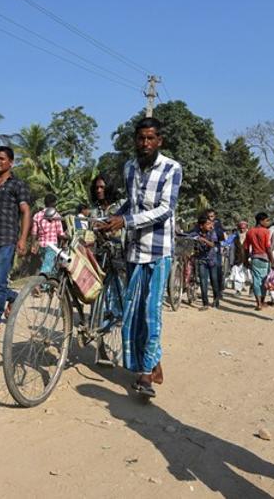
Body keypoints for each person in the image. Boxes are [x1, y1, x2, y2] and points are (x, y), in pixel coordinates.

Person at [96, 117, 181, 398]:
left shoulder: (171, 168)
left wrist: (127, 221)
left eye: (150, 139)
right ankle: (151, 362)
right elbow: (130, 204)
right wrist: (111, 218)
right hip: (133, 250)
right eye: (140, 138)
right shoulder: (129, 167)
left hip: (158, 252)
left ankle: (144, 376)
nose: (144, 144)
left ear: (159, 141)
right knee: (133, 314)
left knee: (151, 311)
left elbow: (165, 209)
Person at [0, 145, 32, 334]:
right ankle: (13, 297)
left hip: (7, 239)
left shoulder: (17, 185)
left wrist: (23, 239)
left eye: (2, 159)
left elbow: (26, 211)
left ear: (11, 162)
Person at [187, 214, 222, 310]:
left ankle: (216, 300)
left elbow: (212, 244)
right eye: (207, 224)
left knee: (214, 280)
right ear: (201, 226)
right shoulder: (196, 233)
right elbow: (188, 236)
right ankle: (205, 303)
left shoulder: (212, 232)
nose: (210, 226)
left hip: (212, 260)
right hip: (202, 260)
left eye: (210, 224)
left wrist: (203, 240)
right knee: (203, 282)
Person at [243, 213, 274, 311]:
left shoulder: (250, 232)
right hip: (265, 259)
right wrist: (273, 261)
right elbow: (268, 248)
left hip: (255, 259)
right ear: (261, 221)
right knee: (264, 281)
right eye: (266, 221)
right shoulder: (266, 232)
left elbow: (246, 248)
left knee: (256, 280)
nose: (267, 223)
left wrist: (245, 260)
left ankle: (258, 303)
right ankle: (263, 301)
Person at [31, 194, 65, 275]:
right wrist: (67, 237)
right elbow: (60, 233)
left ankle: (47, 285)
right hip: (52, 245)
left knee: (48, 266)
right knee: (47, 267)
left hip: (41, 245)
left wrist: (33, 244)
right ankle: (42, 286)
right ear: (52, 203)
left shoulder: (37, 215)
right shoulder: (55, 215)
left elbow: (34, 232)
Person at [230, 220, 251, 295]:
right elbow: (232, 249)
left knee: (250, 276)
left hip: (248, 259)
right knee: (237, 276)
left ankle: (251, 290)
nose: (242, 230)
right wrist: (232, 261)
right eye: (241, 228)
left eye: (244, 228)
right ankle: (238, 290)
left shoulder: (250, 236)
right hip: (238, 259)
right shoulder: (235, 237)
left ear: (246, 228)